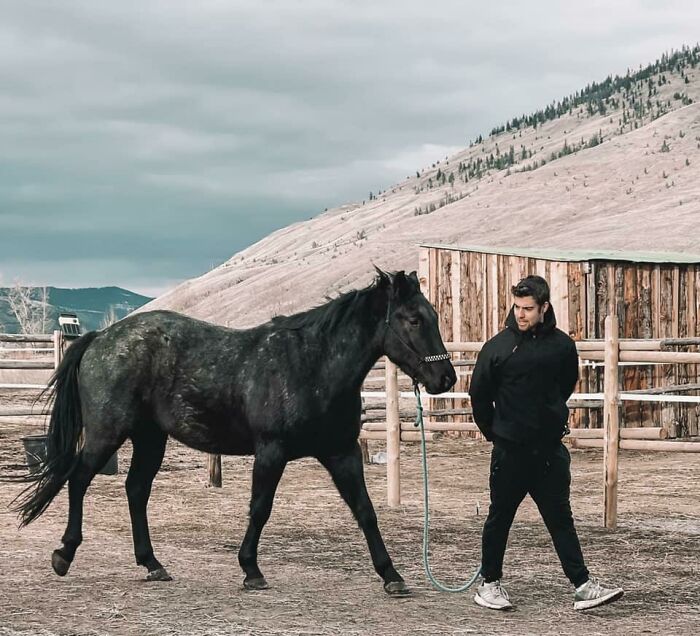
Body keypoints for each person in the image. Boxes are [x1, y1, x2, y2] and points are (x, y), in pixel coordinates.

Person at [469, 275, 623, 611]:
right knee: (500, 518)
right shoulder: (497, 347)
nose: (520, 314)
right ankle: (489, 585)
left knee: (561, 519)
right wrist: (496, 433)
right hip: (510, 452)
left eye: (528, 308)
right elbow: (478, 395)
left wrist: (547, 421)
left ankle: (583, 586)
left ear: (544, 308)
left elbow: (564, 386)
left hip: (550, 452)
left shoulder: (562, 346)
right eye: (517, 307)